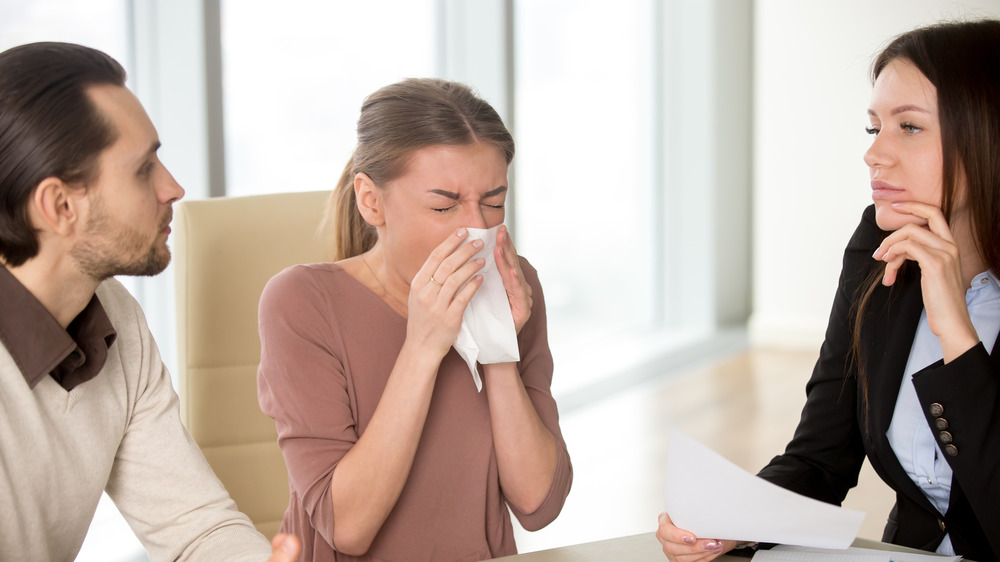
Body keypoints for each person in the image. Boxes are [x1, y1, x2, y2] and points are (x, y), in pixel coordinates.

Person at [656, 19, 1000, 562]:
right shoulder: (878, 249)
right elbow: (820, 459)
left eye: (909, 127)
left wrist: (955, 330)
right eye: (874, 128)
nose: (875, 154)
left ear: (987, 134)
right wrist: (732, 520)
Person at [0, 42, 300, 561]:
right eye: (143, 169)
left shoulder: (113, 315)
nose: (174, 187)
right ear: (60, 205)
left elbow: (196, 528)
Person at [257, 78, 573, 561]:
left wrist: (497, 346)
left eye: (493, 202)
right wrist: (423, 346)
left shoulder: (515, 283)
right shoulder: (301, 302)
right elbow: (349, 527)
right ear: (371, 201)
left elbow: (537, 504)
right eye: (444, 205)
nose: (478, 229)